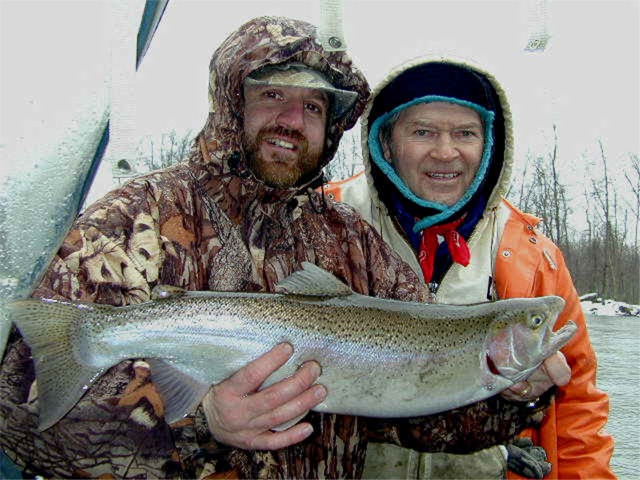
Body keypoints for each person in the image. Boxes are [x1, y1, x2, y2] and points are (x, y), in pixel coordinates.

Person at [0, 17, 562, 479]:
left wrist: (512, 398)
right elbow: (20, 415)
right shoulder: (137, 216)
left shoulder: (355, 242)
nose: (293, 120)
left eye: (314, 107)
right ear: (230, 101)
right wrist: (200, 420)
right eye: (272, 95)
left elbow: (412, 421)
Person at [325, 56, 615, 479]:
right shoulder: (317, 222)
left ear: (488, 144)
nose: (446, 152)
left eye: (465, 133)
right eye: (423, 132)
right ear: (385, 143)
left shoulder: (535, 258)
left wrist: (532, 401)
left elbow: (580, 414)